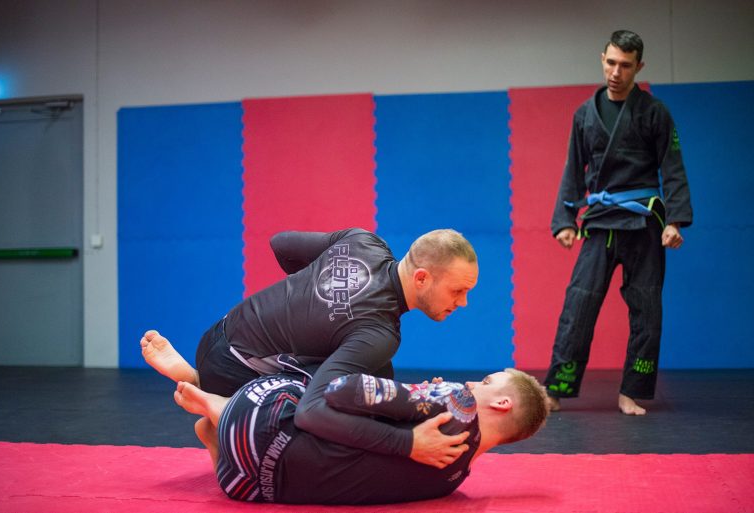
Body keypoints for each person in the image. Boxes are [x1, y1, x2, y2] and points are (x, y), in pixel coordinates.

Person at [141, 227, 479, 466]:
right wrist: (407, 443)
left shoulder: (363, 241)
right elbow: (310, 412)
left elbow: (282, 243)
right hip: (235, 372)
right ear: (421, 278)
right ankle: (221, 409)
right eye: (457, 291)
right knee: (341, 418)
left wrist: (311, 299)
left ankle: (200, 381)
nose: (463, 303)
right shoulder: (379, 333)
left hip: (218, 332)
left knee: (378, 377)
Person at [544, 30, 693, 415]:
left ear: (638, 67)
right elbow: (573, 168)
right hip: (600, 222)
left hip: (644, 223)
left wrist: (675, 220)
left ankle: (631, 392)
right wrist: (565, 220)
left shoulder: (655, 112)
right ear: (602, 59)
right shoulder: (585, 114)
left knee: (647, 309)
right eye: (611, 62)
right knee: (578, 305)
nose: (616, 72)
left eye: (625, 65)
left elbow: (672, 166)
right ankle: (556, 389)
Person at [172, 367, 550, 505]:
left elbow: (344, 390)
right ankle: (216, 428)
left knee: (308, 381)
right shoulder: (454, 478)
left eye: (486, 382)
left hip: (257, 424)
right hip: (247, 487)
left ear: (501, 403)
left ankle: (215, 401)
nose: (472, 383)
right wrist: (419, 402)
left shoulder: (458, 401)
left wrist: (423, 394)